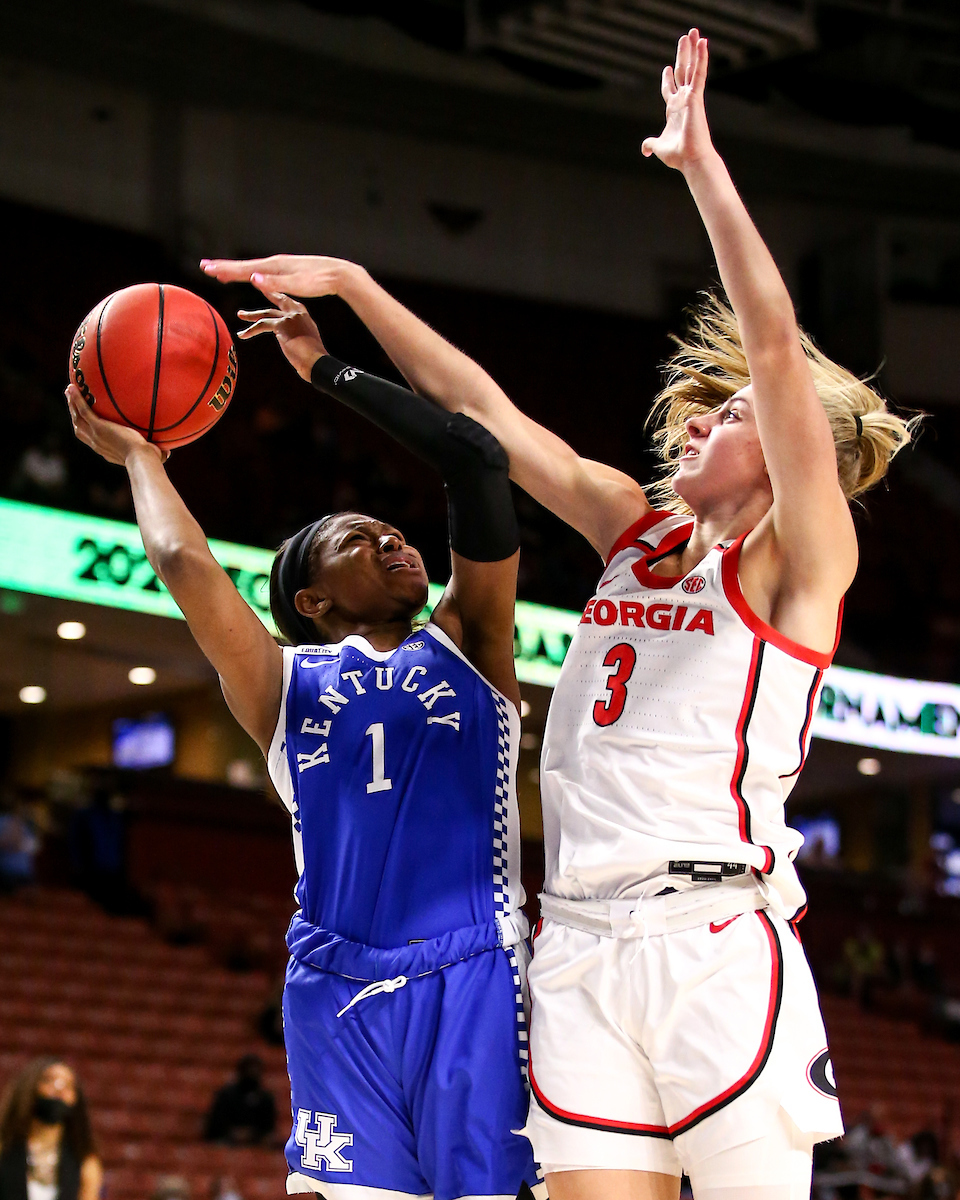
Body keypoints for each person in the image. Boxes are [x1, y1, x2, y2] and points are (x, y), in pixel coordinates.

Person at [202, 28, 916, 1200]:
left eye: (727, 415)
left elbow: (780, 350)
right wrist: (355, 302)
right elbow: (482, 414)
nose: (693, 423)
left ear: (801, 459)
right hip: (575, 944)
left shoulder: (799, 564)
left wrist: (700, 171)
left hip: (715, 936)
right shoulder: (629, 527)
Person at [65, 284, 542, 1200]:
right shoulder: (285, 685)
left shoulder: (472, 642)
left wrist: (327, 369)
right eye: (356, 540)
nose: (391, 538)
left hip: (473, 971)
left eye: (392, 530)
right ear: (311, 601)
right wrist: (138, 457)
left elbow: (475, 463)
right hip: (334, 983)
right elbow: (182, 562)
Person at [0, 1058, 102, 1200]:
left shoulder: (85, 1161)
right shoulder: (4, 1146)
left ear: (75, 1098)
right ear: (29, 1087)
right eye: (49, 1080)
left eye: (68, 1085)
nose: (58, 1088)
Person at [203, 1055, 276, 1146]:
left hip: (255, 1142)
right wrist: (233, 1133)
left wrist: (252, 1134)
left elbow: (268, 1127)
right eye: (250, 1069)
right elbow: (216, 1123)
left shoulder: (266, 1098)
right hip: (226, 1141)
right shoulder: (226, 1094)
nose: (252, 1073)